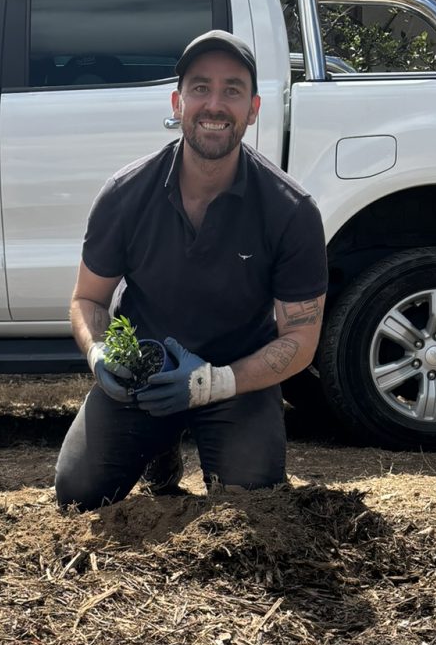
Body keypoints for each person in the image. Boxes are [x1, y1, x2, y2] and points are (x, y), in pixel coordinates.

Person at [54, 30, 328, 511]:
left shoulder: (291, 210)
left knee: (254, 500)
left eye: (232, 90)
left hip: (238, 377)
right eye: (200, 88)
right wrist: (100, 357)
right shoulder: (125, 193)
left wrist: (212, 382)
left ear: (254, 108)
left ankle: (194, 428)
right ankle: (159, 447)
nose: (215, 104)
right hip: (144, 374)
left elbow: (301, 341)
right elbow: (87, 299)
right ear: (178, 102)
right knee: (78, 493)